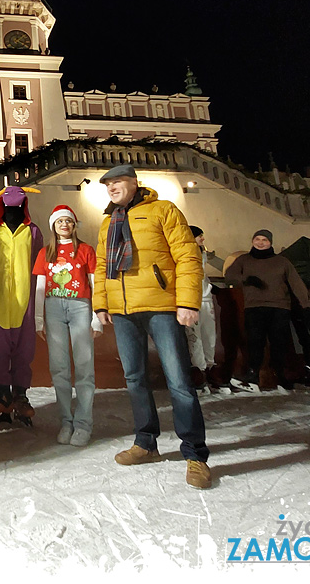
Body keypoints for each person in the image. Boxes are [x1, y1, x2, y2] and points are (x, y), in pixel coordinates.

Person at [92, 165, 211, 489]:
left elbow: (187, 256)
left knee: (179, 382)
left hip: (160, 306)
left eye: (117, 182)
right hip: (123, 310)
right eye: (107, 184)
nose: (111, 188)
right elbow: (102, 266)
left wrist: (188, 302)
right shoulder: (108, 221)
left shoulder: (163, 210)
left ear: (134, 183)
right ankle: (146, 443)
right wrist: (101, 304)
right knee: (135, 380)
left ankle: (195, 455)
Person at [33, 205, 103, 446]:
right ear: (53, 225)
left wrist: (97, 317)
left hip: (80, 306)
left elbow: (94, 284)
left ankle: (84, 424)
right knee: (59, 368)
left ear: (74, 225)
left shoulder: (85, 250)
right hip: (53, 309)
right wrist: (38, 320)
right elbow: (40, 289)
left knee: (84, 366)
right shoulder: (46, 252)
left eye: (69, 221)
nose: (64, 225)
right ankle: (66, 421)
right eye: (60, 221)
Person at [0, 185, 44, 426]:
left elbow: (39, 262)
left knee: (24, 349)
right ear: (1, 205)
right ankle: (1, 397)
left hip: (25, 299)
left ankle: (20, 397)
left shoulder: (34, 231)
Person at [224, 229, 310, 392]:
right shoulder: (244, 260)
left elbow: (296, 283)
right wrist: (246, 280)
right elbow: (230, 276)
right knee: (255, 343)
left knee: (279, 343)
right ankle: (253, 375)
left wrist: (305, 304)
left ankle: (282, 376)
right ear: (252, 241)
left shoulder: (282, 262)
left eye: (265, 239)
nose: (261, 242)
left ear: (270, 242)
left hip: (279, 308)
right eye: (257, 239)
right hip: (254, 307)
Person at [184, 226, 226, 392]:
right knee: (195, 337)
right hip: (192, 301)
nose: (202, 239)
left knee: (209, 335)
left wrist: (210, 287)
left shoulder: (201, 253)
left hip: (206, 299)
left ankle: (210, 367)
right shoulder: (185, 253)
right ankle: (198, 371)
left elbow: (202, 275)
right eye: (199, 236)